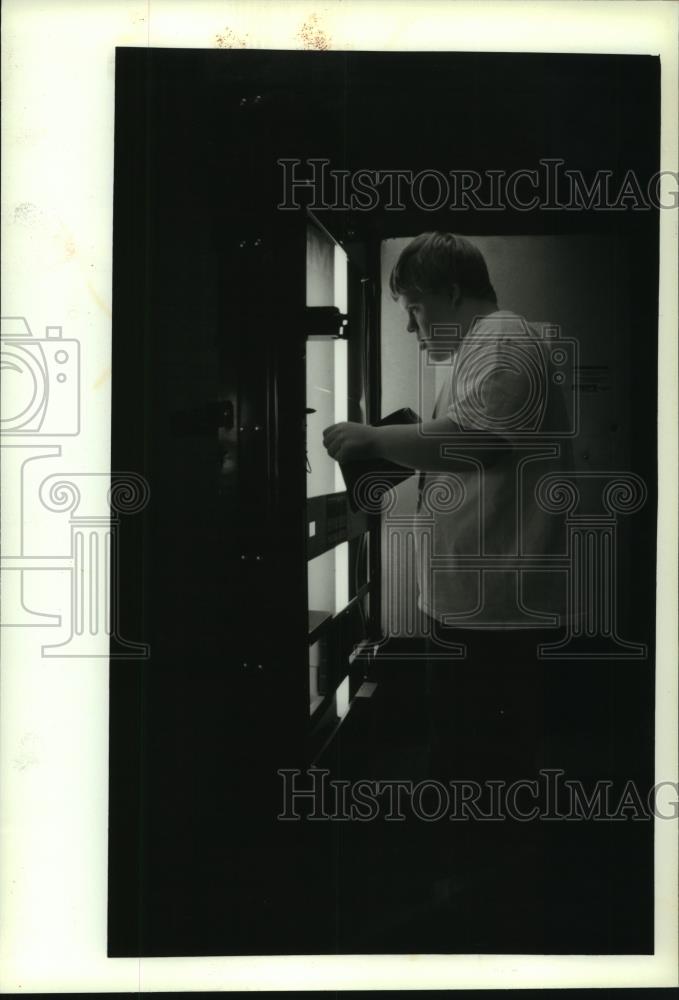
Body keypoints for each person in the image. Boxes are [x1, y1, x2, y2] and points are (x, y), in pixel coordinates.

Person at [322, 232, 572, 786]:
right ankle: (473, 861)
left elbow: (471, 443)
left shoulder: (503, 340)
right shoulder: (482, 349)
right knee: (468, 753)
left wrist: (373, 440)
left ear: (452, 293)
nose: (411, 327)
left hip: (494, 607)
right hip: (478, 601)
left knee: (481, 761)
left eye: (415, 309)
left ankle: (484, 867)